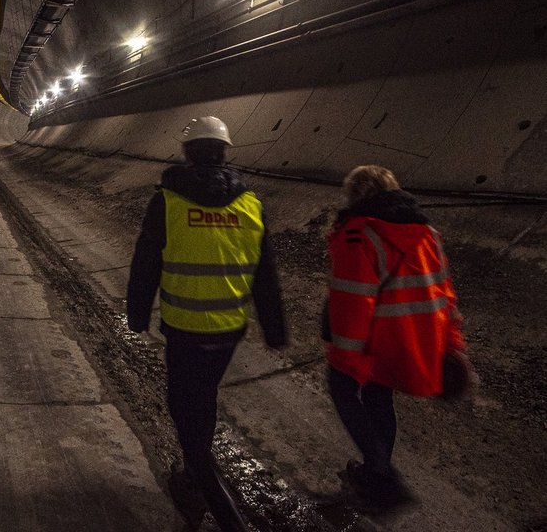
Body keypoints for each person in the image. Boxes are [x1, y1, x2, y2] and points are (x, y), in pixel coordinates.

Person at [127, 116, 287, 532]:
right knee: (203, 396)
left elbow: (146, 261)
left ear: (187, 151)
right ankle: (195, 469)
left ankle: (204, 485)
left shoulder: (168, 201)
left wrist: (137, 312)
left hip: (184, 329)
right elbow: (264, 272)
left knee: (184, 405)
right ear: (223, 151)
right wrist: (274, 327)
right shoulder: (250, 203)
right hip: (228, 331)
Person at [325, 165, 466, 506]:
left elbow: (353, 297)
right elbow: (445, 292)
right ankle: (376, 471)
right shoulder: (426, 231)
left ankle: (381, 474)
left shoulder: (360, 232)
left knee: (342, 390)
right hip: (414, 338)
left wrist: (344, 355)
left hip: (376, 338)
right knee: (378, 398)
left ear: (355, 194)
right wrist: (453, 344)